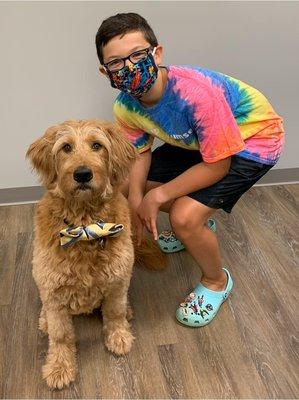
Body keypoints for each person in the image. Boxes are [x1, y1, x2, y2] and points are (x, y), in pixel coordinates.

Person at [95, 12, 285, 327]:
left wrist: (156, 200)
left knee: (183, 215)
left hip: (254, 141)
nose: (128, 67)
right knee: (132, 185)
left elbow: (218, 165)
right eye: (116, 62)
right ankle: (196, 226)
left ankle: (215, 280)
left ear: (157, 53)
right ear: (105, 71)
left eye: (137, 55)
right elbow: (140, 154)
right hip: (201, 143)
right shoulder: (125, 106)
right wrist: (134, 202)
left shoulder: (198, 95)